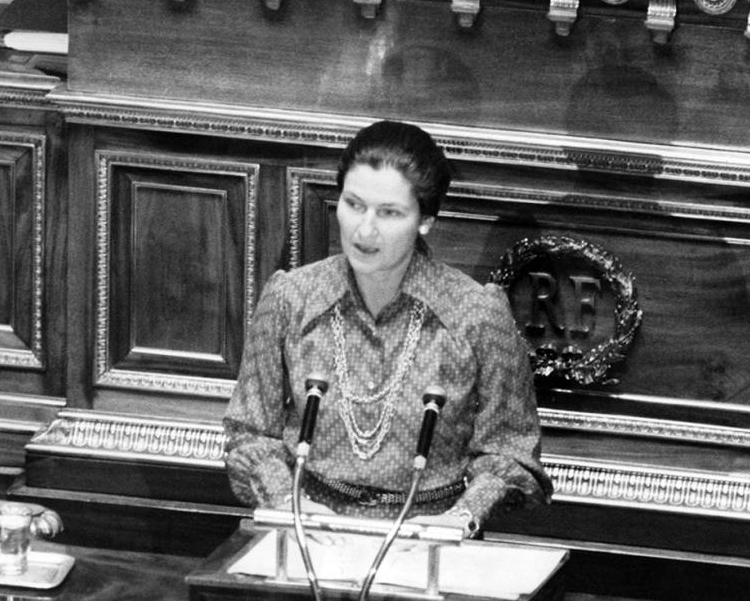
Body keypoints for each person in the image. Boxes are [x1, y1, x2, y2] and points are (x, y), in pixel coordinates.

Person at [223, 120, 552, 537]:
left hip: (430, 539)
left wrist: (460, 518)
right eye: (354, 204)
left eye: (389, 213)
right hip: (307, 531)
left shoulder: (476, 314)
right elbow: (249, 433)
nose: (364, 230)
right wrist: (288, 502)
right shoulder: (291, 297)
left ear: (425, 220)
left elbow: (511, 453)